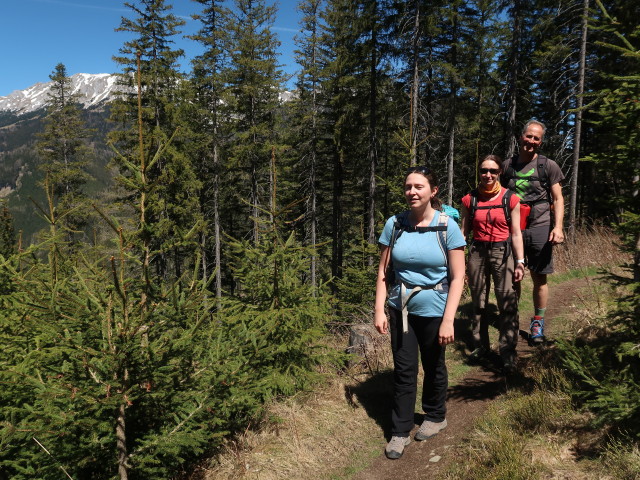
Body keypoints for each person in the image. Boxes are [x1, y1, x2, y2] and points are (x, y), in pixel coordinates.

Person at [374, 165, 466, 460]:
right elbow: (383, 272)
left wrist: (449, 319)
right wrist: (379, 309)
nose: (412, 192)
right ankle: (399, 432)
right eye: (408, 187)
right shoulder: (395, 224)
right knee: (404, 370)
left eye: (419, 187)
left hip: (435, 308)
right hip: (400, 307)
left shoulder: (447, 226)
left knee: (433, 363)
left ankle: (436, 415)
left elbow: (458, 276)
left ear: (433, 191)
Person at [460, 155, 525, 373]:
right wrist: (459, 262)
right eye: (484, 170)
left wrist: (520, 262)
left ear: (499, 174)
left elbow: (516, 233)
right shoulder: (469, 200)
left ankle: (507, 352)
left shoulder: (511, 199)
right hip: (477, 252)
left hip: (502, 251)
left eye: (493, 171)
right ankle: (481, 346)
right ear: (479, 172)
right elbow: (463, 233)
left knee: (506, 300)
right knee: (478, 301)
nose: (488, 175)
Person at [502, 120, 565, 344]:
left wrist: (557, 227)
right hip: (513, 229)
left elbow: (558, 199)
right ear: (521, 136)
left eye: (536, 138)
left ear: (540, 142)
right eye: (529, 136)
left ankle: (538, 322)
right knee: (512, 277)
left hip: (540, 227)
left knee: (540, 277)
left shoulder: (548, 166)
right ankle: (512, 321)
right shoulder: (507, 165)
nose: (531, 141)